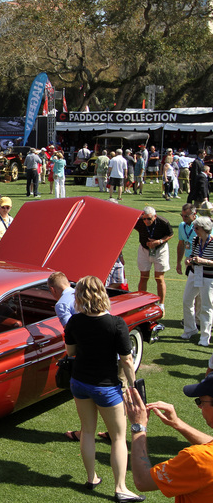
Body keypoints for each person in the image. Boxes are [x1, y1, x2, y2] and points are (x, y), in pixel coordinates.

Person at [64, 275, 141, 502]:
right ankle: (120, 488)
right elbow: (126, 360)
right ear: (103, 294)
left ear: (79, 296)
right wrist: (133, 385)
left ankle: (91, 478)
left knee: (87, 431)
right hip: (106, 386)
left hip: (79, 382)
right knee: (118, 437)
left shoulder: (74, 321)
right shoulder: (117, 324)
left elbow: (70, 352)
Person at [124, 375, 213, 502]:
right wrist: (177, 423)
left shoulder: (197, 459)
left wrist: (138, 426)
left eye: (200, 402)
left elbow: (143, 481)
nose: (199, 407)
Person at [181, 215, 213, 346]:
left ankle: (205, 336)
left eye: (197, 228)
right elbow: (193, 255)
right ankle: (190, 329)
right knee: (187, 300)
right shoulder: (195, 240)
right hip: (195, 274)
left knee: (206, 306)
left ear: (205, 229)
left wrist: (204, 261)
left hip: (209, 278)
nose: (194, 230)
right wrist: (189, 261)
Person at [134, 206, 174, 310]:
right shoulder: (139, 222)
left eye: (149, 219)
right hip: (144, 249)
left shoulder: (163, 222)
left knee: (159, 278)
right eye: (144, 218)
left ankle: (161, 305)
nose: (146, 221)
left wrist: (159, 241)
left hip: (160, 250)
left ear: (155, 216)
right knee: (143, 277)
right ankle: (141, 303)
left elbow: (170, 234)